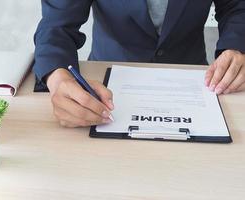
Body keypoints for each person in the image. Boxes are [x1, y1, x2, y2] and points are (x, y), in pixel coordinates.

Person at [33, 0, 245, 127]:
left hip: (194, 79)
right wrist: (57, 77)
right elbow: (56, 25)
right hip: (106, 82)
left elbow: (237, 7)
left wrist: (238, 47)